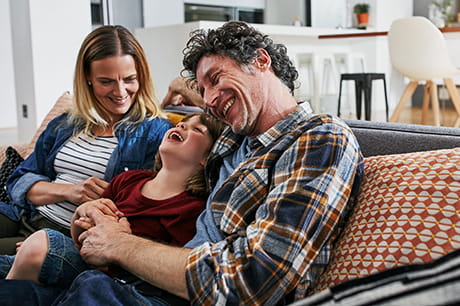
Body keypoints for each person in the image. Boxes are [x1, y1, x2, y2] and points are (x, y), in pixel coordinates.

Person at [0, 21, 364, 305]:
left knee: (89, 286)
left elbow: (252, 281)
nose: (209, 98)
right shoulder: (236, 138)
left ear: (261, 60)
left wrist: (118, 245)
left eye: (215, 80)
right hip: (143, 279)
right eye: (203, 90)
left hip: (172, 292)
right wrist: (94, 223)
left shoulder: (318, 137)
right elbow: (195, 121)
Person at [0, 113, 225, 292]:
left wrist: (122, 240)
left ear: (208, 157)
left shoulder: (192, 209)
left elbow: (166, 269)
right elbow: (82, 234)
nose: (182, 127)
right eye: (183, 124)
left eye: (197, 129)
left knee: (39, 244)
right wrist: (83, 211)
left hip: (116, 279)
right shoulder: (128, 180)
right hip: (81, 255)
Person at [0, 25, 173, 255]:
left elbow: (147, 210)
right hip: (25, 216)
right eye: (106, 81)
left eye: (129, 79)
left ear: (142, 77)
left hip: (66, 236)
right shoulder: (66, 124)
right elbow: (19, 181)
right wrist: (70, 191)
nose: (120, 91)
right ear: (88, 79)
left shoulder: (155, 133)